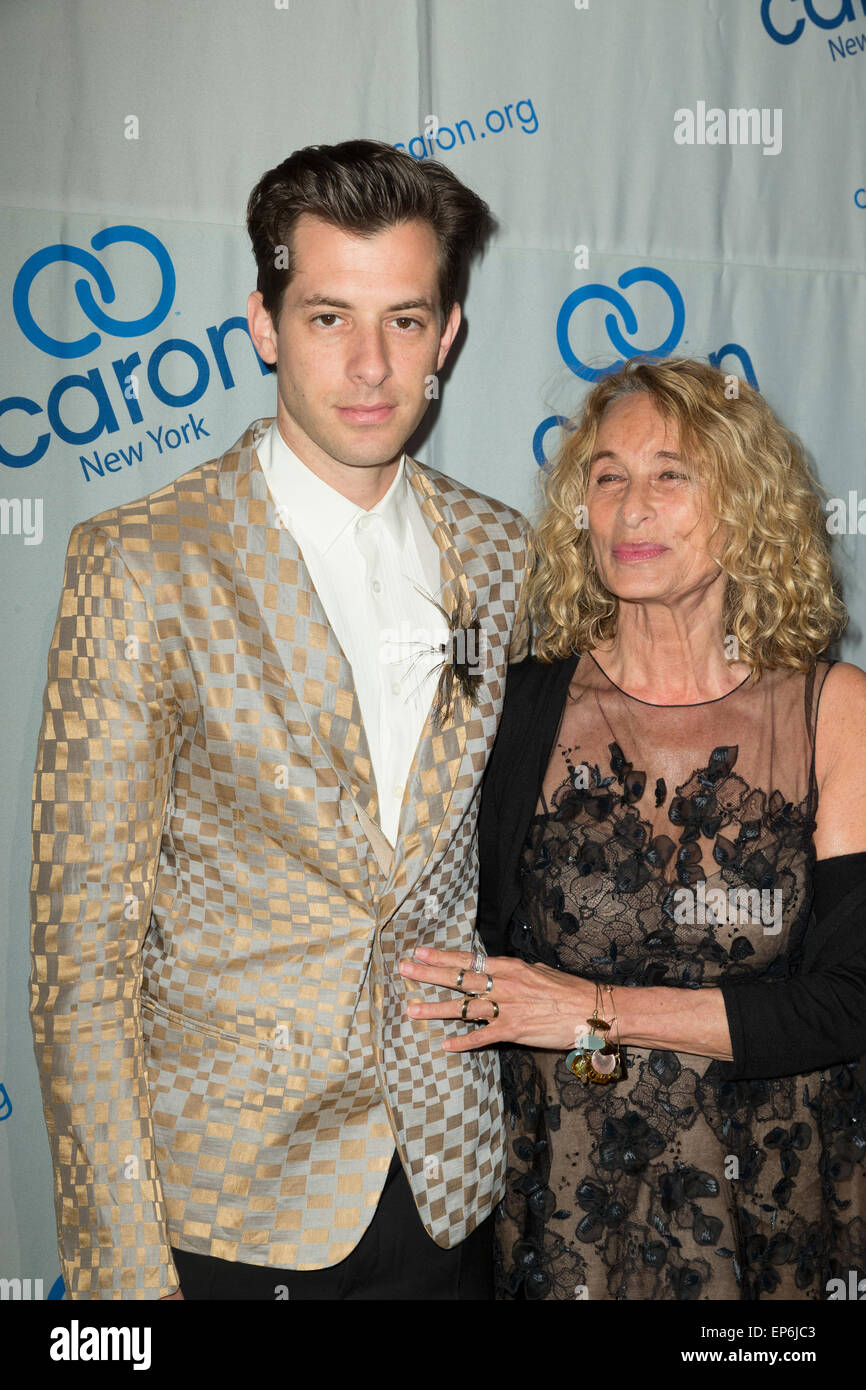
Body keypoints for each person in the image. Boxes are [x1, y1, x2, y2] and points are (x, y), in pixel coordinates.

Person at [28, 140, 530, 1301]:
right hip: (228, 1208)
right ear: (261, 323)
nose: (367, 365)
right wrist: (121, 1276)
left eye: (403, 321)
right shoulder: (142, 563)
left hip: (451, 1186)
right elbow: (81, 959)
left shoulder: (502, 555)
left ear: (446, 334)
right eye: (325, 318)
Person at [400, 357, 866, 1300]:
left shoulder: (835, 709)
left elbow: (850, 1002)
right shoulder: (518, 706)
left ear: (744, 506)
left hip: (771, 1214)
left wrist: (588, 1009)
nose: (629, 507)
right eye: (607, 476)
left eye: (670, 475)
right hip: (567, 1208)